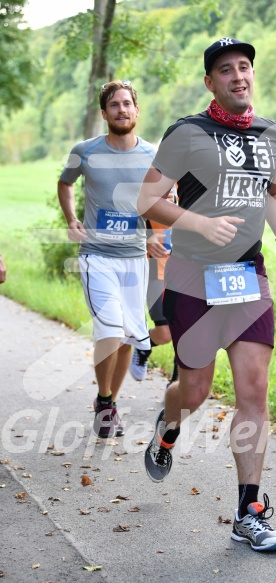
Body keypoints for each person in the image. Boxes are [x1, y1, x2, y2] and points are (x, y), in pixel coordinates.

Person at [138, 38, 276, 552]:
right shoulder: (187, 133)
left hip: (247, 275)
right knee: (195, 392)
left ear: (252, 75)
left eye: (245, 67)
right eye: (226, 70)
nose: (238, 75)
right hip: (193, 276)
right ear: (210, 81)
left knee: (254, 392)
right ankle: (168, 428)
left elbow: (273, 194)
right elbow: (147, 198)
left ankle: (248, 511)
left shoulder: (269, 134)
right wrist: (196, 223)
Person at [58, 80, 155, 439]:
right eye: (114, 105)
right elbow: (65, 183)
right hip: (97, 256)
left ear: (137, 109)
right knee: (110, 328)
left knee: (129, 334)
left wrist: (160, 236)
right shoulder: (84, 150)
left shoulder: (153, 154)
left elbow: (167, 201)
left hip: (135, 259)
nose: (122, 110)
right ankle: (103, 399)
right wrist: (71, 218)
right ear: (104, 113)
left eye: (127, 103)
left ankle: (108, 405)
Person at [130, 191, 179, 386]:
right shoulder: (153, 179)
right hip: (156, 267)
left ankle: (176, 386)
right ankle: (143, 346)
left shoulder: (195, 178)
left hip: (186, 267)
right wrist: (145, 240)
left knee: (185, 332)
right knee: (165, 333)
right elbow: (130, 217)